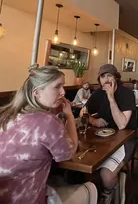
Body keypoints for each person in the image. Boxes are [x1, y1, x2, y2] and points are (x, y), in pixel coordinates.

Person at [0, 64, 97, 204]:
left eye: (63, 86)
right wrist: (69, 115)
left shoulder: (6, 116)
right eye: (57, 86)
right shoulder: (47, 121)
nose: (63, 92)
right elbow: (69, 152)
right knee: (91, 187)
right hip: (27, 198)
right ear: (37, 92)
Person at [84, 64, 136, 204]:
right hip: (101, 139)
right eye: (102, 76)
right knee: (84, 169)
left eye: (109, 76)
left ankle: (109, 193)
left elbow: (121, 124)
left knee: (106, 175)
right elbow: (84, 112)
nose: (106, 80)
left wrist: (111, 98)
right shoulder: (98, 94)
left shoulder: (126, 94)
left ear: (116, 78)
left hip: (125, 139)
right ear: (99, 80)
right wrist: (93, 120)